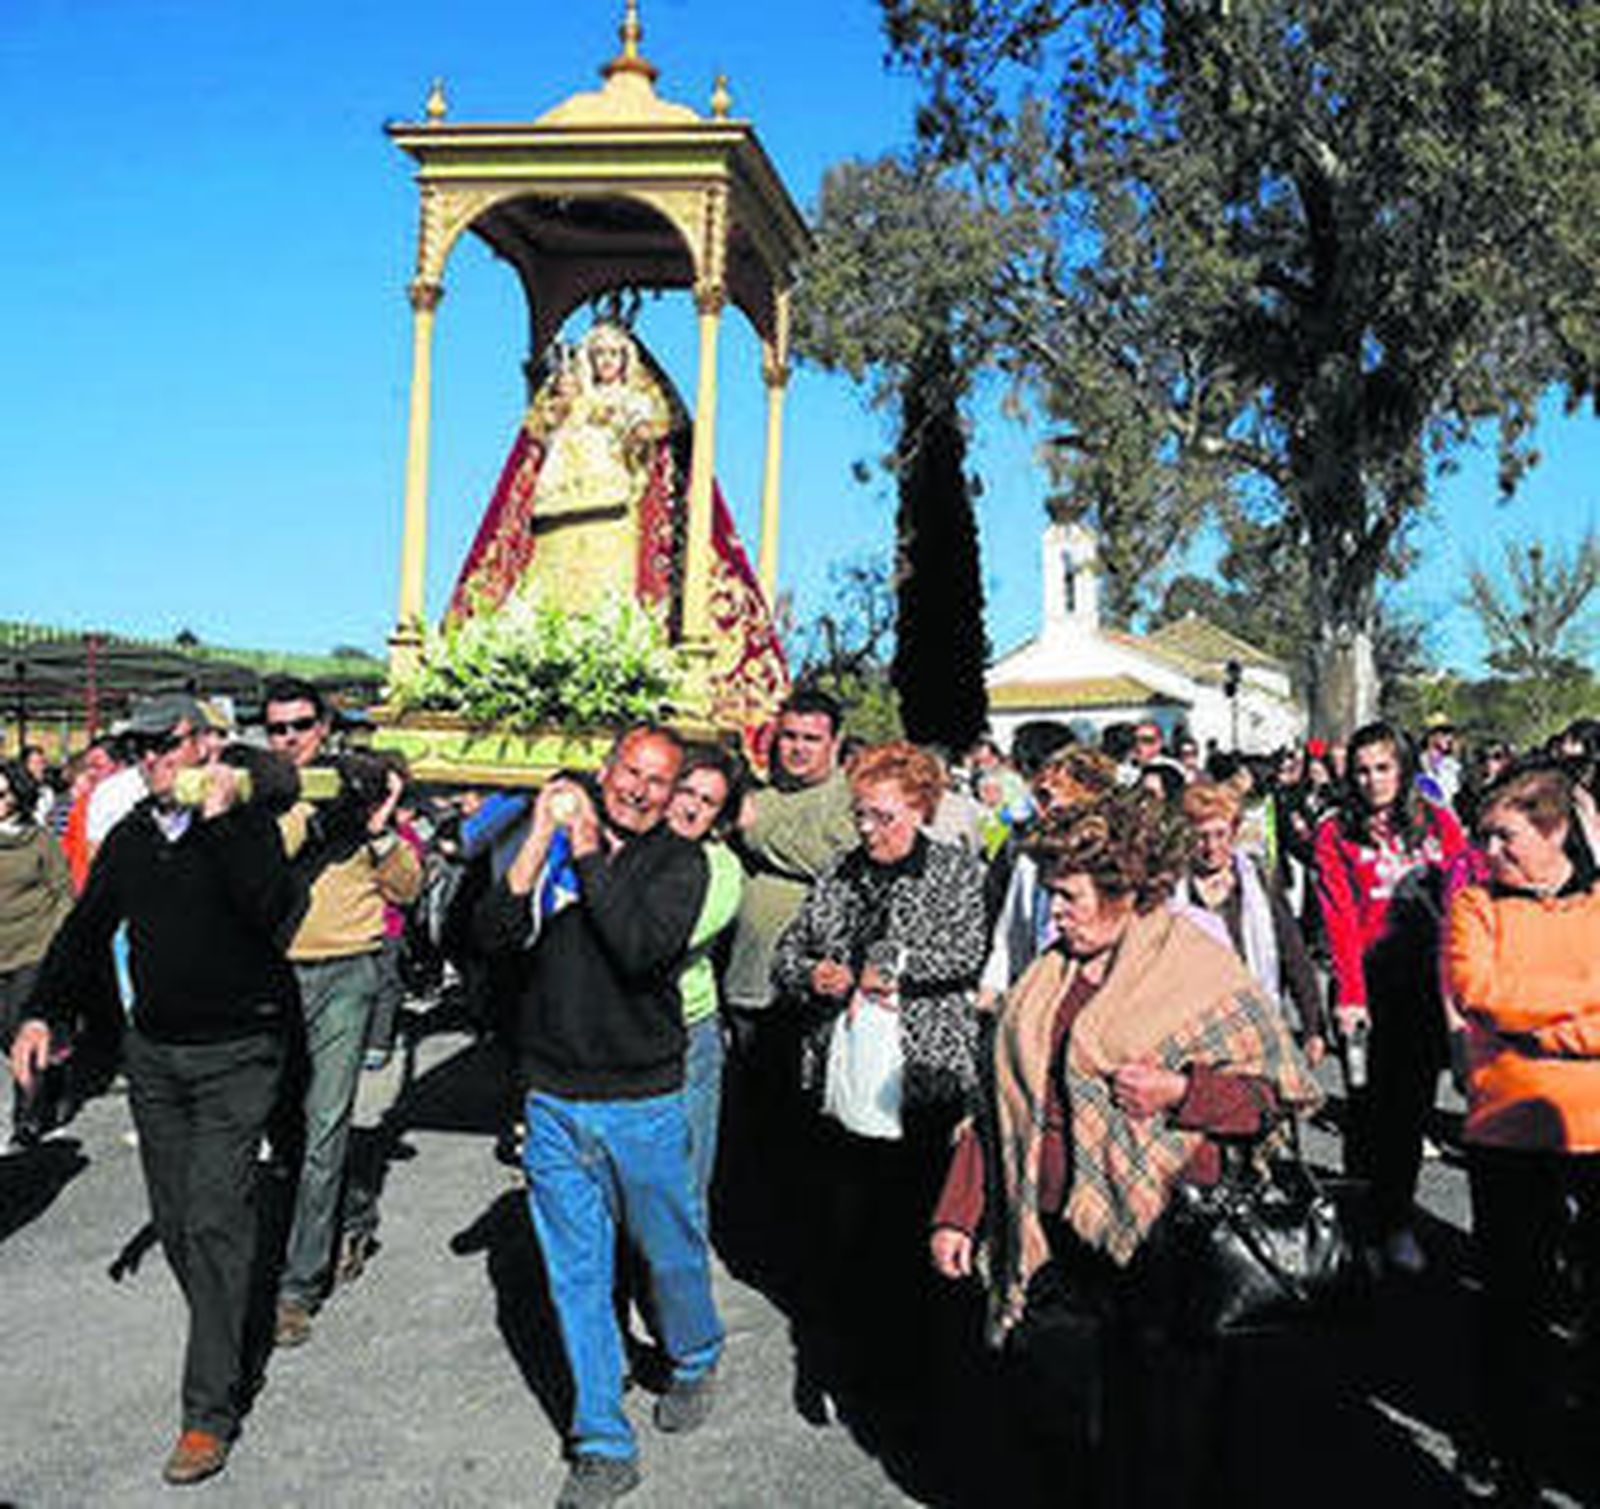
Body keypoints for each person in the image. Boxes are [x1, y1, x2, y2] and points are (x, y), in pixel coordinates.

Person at [930, 789, 1320, 1504]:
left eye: (1070, 896)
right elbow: (1000, 1101)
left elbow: (1274, 1094)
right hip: (1050, 1235)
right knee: (1057, 1414)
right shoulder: (1045, 977)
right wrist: (960, 1211)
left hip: (1166, 1239)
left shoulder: (1198, 969)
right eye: (1052, 894)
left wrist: (1183, 1092)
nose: (1055, 913)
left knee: (1166, 1423)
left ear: (1128, 890)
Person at [9, 729, 304, 1486]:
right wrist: (42, 1013)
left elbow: (273, 911)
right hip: (156, 1055)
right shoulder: (135, 834)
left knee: (213, 1215)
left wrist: (224, 821)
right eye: (162, 750)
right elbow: (83, 931)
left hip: (240, 1051)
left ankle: (209, 1410)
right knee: (180, 1223)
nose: (175, 762)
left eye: (191, 748)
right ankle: (233, 1312)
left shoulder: (245, 824)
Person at [478, 726, 722, 1509]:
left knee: (668, 1247)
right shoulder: (554, 847)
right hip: (553, 1098)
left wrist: (587, 847)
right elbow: (489, 937)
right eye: (631, 772)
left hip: (642, 1099)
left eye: (660, 780)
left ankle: (693, 1351)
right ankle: (601, 1441)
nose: (642, 790)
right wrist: (543, 835)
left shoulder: (679, 861)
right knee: (577, 1272)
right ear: (605, 768)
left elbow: (638, 949)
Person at [771, 741, 987, 1419]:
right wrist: (814, 974)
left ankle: (930, 1372)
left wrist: (883, 968)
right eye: (862, 815)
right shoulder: (840, 871)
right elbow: (789, 951)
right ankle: (862, 1365)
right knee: (853, 1230)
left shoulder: (955, 870)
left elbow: (967, 951)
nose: (870, 829)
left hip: (924, 1076)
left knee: (923, 1224)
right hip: (846, 1080)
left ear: (920, 808)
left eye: (884, 816)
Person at [1446, 763, 1600, 1501]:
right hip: (1506, 1131)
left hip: (1594, 1131)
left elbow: (1513, 1002)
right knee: (1514, 1303)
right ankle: (1510, 1446)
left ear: (1555, 829)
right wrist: (1584, 1019)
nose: (1489, 850)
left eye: (1504, 834)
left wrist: (1538, 1029)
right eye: (1483, 835)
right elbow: (1480, 993)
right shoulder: (1475, 906)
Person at [264, 676, 421, 1347]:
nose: (290, 737)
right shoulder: (260, 796)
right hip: (273, 974)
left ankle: (297, 1286)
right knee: (286, 1124)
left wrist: (380, 831)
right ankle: (353, 1210)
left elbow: (409, 887)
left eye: (300, 724)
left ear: (323, 726)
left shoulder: (354, 787)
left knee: (324, 1124)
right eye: (276, 727)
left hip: (347, 972)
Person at [1315, 720, 1467, 1273]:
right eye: (1361, 770)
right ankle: (1362, 1227)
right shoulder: (1336, 833)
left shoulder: (1438, 824)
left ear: (1403, 769)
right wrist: (1350, 997)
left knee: (1409, 1114)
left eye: (1383, 767)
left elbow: (1462, 903)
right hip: (1369, 987)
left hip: (1427, 986)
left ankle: (1398, 1219)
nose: (1373, 780)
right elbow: (1340, 922)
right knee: (1368, 1115)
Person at [1174, 779, 1327, 1063]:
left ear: (1234, 832)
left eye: (1220, 835)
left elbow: (1292, 951)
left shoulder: (1258, 879)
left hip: (1253, 1020)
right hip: (1192, 1026)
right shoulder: (1172, 890)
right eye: (1201, 837)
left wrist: (1312, 1027)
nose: (1211, 847)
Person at [664, 741, 745, 1226]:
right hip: (619, 1035)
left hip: (687, 1028)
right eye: (685, 790)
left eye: (708, 801)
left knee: (685, 1173)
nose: (691, 806)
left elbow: (669, 943)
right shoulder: (630, 847)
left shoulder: (721, 868)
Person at [0, 757, 75, 1146]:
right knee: (4, 1034)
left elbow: (62, 891)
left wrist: (58, 940)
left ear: (16, 797)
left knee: (19, 1029)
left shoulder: (38, 839)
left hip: (34, 946)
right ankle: (56, 1070)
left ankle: (26, 1118)